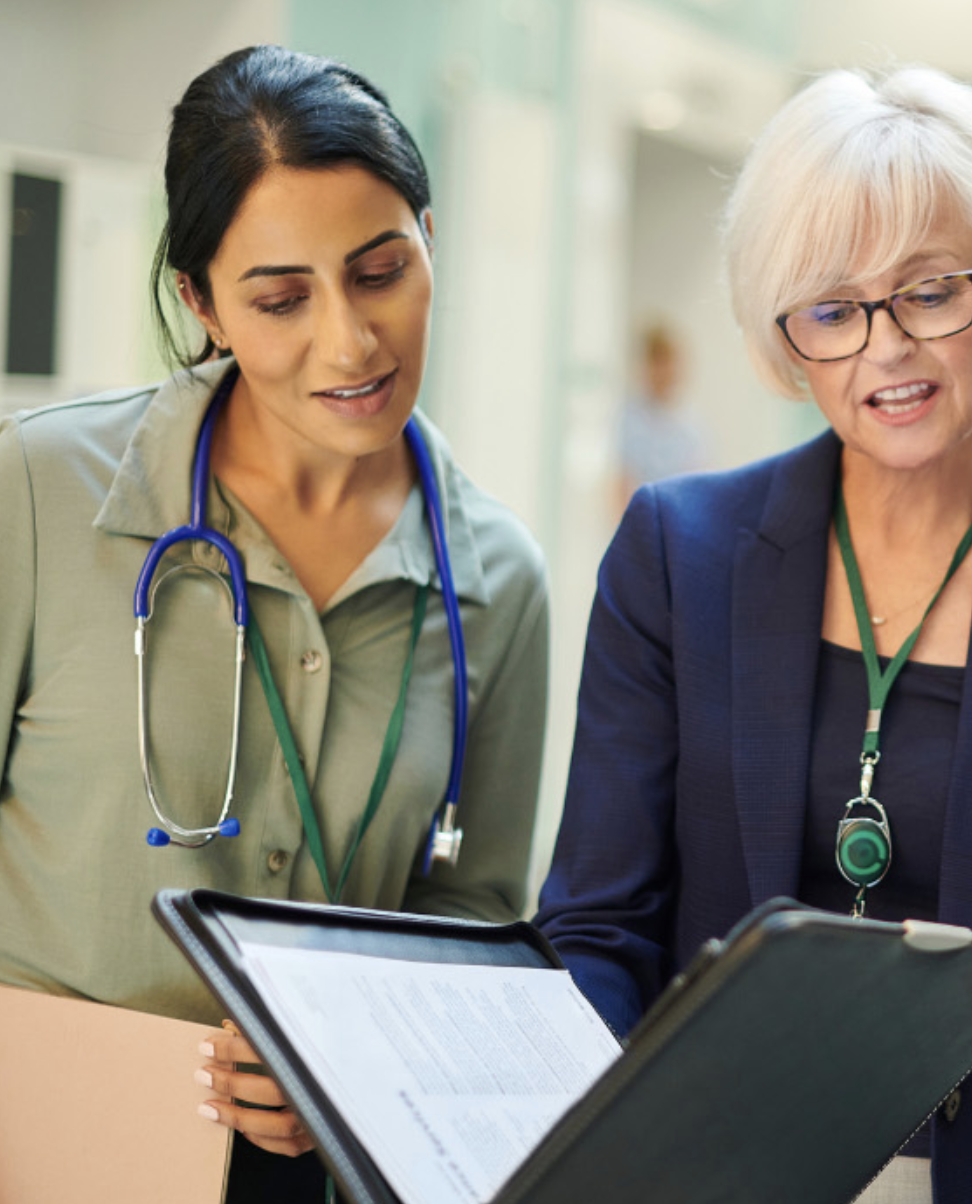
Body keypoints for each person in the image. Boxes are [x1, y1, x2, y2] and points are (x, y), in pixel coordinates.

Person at [534, 66, 972, 1203]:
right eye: (834, 309)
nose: (886, 347)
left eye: (929, 291)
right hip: (702, 1172)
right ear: (786, 337)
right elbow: (598, 926)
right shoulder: (679, 551)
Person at [0, 45, 551, 1200]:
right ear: (201, 302)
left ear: (429, 243)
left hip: (333, 1170)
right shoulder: (42, 495)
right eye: (282, 298)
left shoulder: (496, 579)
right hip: (54, 1148)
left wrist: (350, 1057)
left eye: (381, 269)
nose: (350, 342)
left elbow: (478, 919)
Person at [613, 320, 709, 511]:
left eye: (669, 362)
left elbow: (700, 488)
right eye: (658, 362)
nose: (665, 371)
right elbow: (620, 487)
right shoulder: (629, 420)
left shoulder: (692, 426)